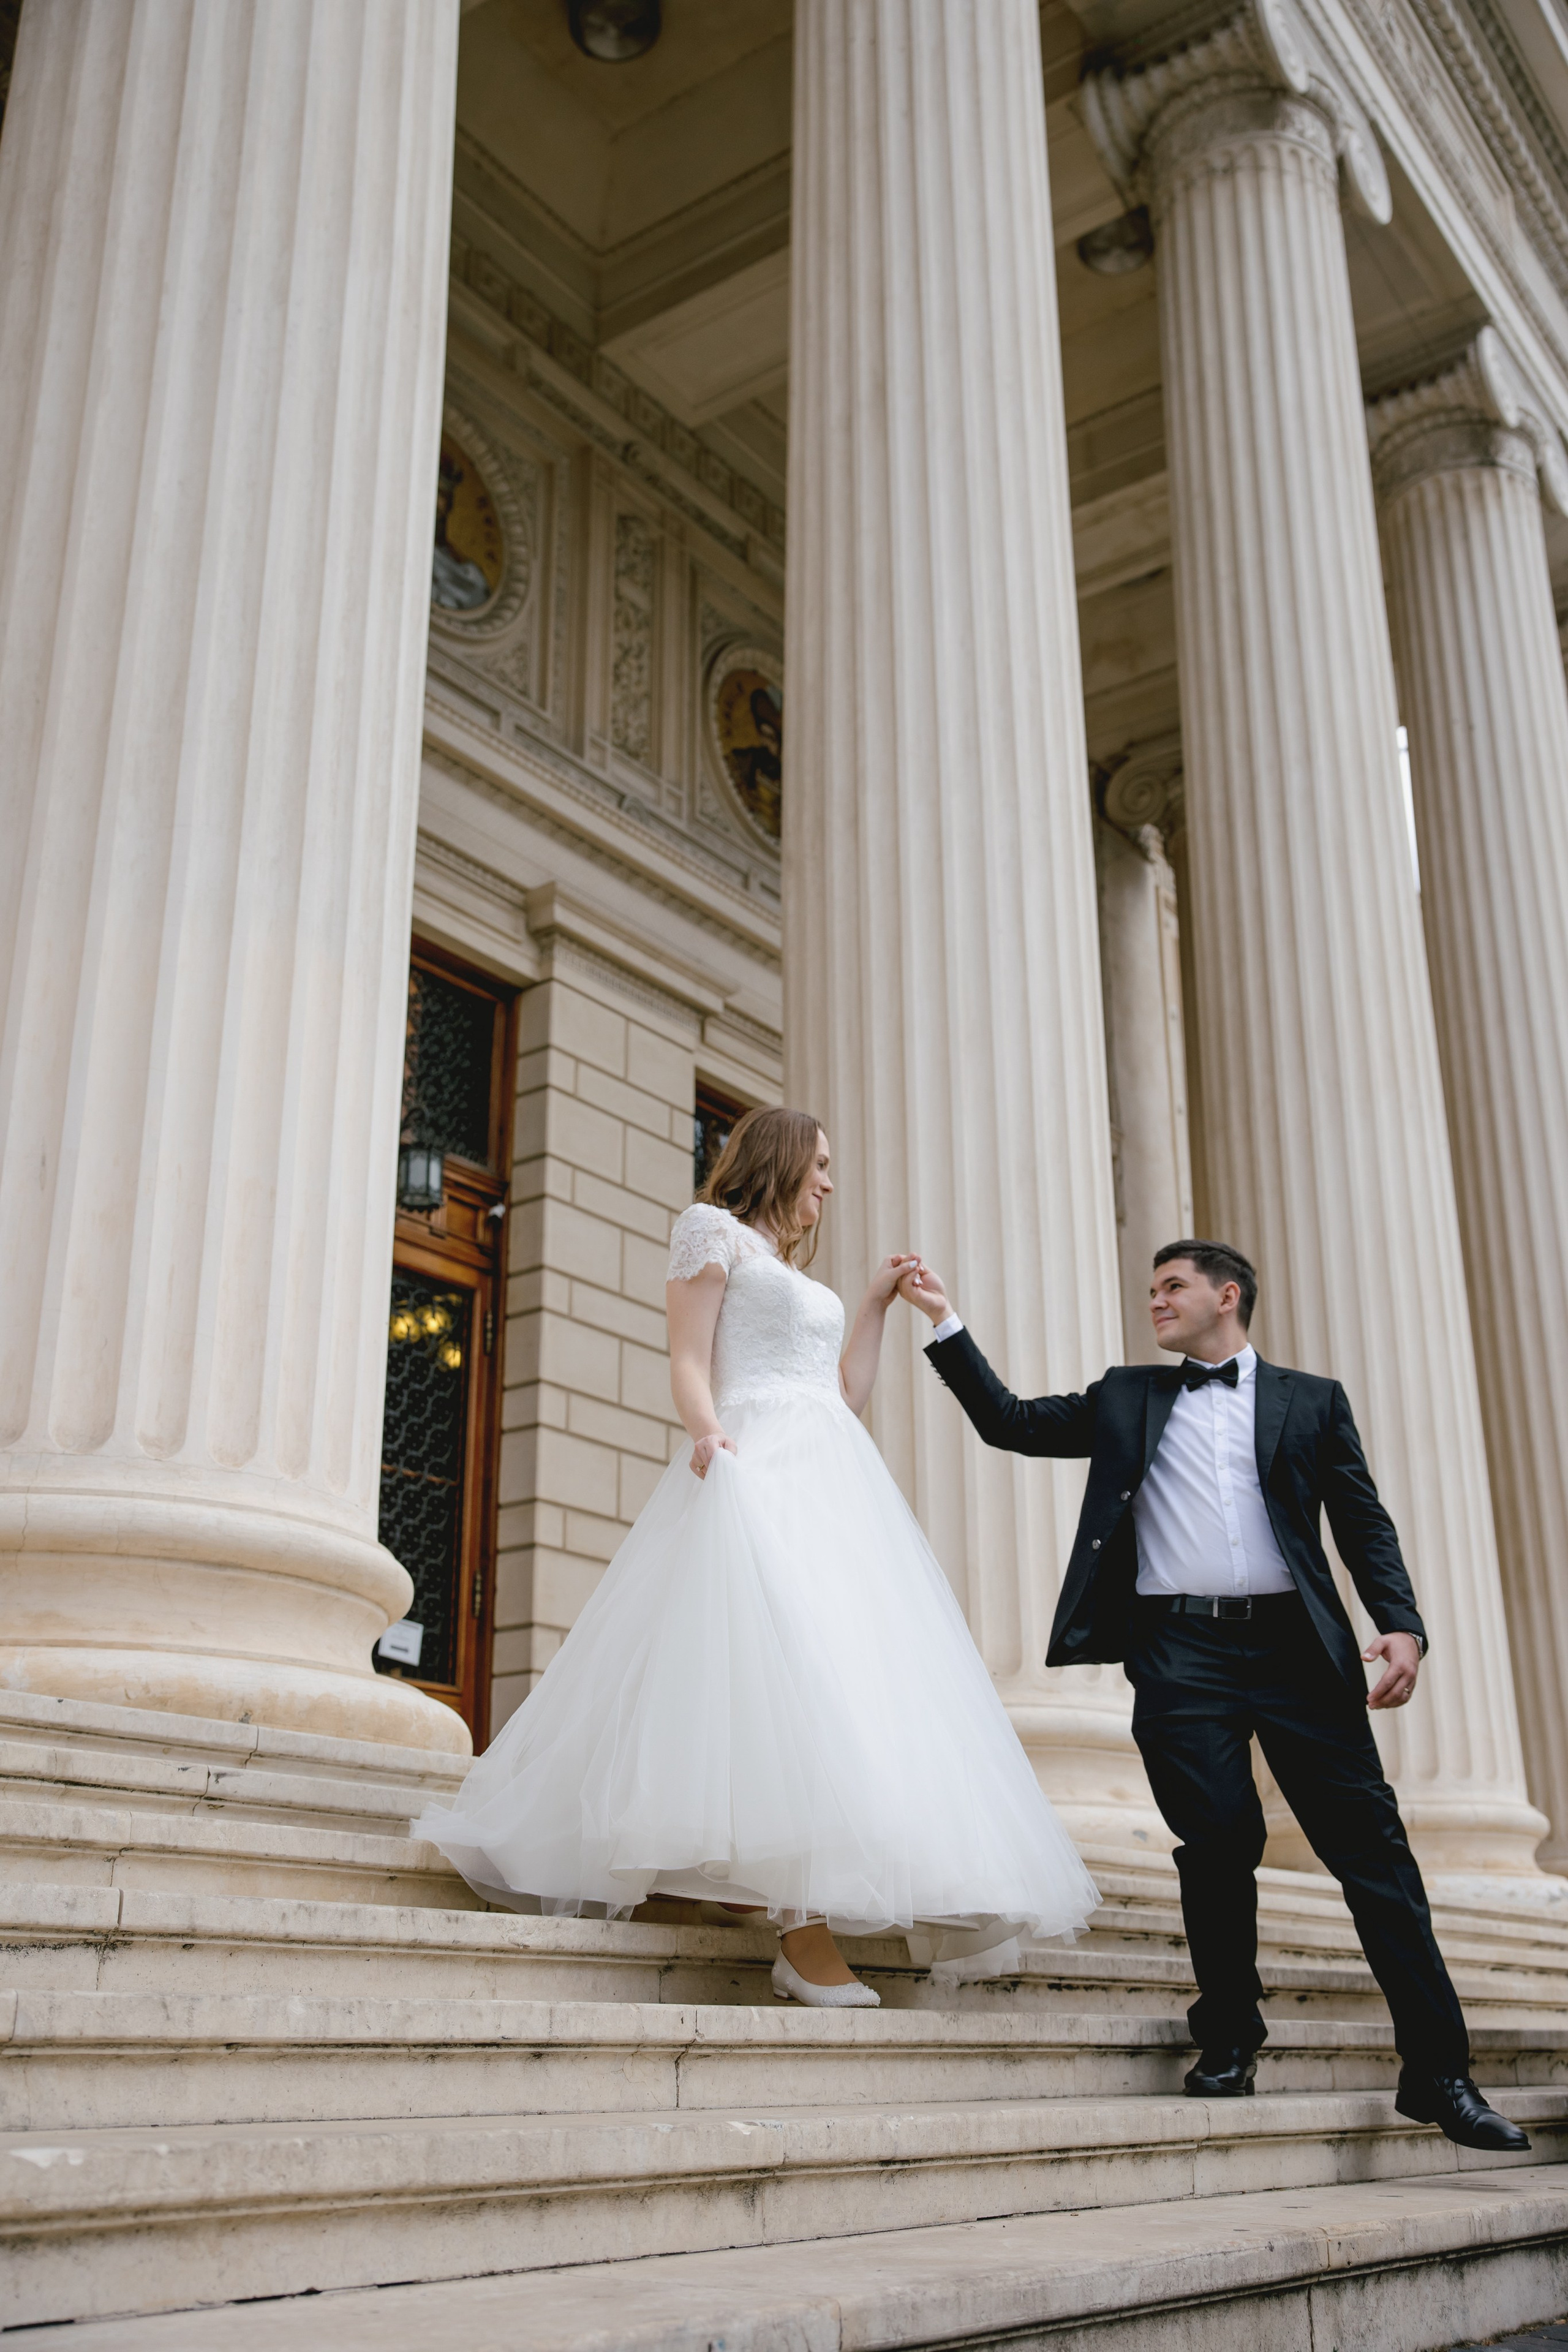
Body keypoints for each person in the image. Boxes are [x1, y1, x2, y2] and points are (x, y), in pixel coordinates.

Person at [415, 1108, 1099, 2007]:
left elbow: (843, 1393)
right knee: (776, 1671)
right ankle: (799, 1928)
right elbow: (688, 1359)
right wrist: (708, 1436)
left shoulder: (786, 1271)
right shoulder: (712, 1234)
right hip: (755, 1460)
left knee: (826, 1677)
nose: (826, 1182)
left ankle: (783, 1910)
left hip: (830, 1475)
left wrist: (873, 1305)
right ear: (776, 1159)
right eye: (818, 1164)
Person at [899, 1237, 1529, 2151]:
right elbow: (1011, 1422)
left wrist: (1402, 1622)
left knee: (1377, 1861)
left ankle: (1440, 2075)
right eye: (1151, 1289)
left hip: (1298, 1653)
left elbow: (1362, 1519)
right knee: (1220, 1838)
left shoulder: (1310, 1401)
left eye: (1173, 1287)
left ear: (1227, 1295)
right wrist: (942, 1320)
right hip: (1180, 1649)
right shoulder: (1128, 1396)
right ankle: (1230, 2036)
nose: (1155, 1301)